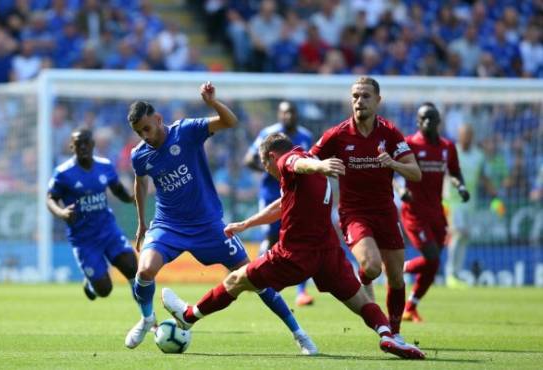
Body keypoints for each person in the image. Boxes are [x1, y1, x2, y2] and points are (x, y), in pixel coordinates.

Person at [160, 133, 425, 359]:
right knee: (358, 299)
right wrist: (246, 224)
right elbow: (282, 203)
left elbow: (298, 165)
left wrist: (318, 167)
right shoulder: (305, 159)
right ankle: (387, 334)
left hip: (294, 254)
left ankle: (188, 315)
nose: (268, 171)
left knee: (236, 280)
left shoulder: (290, 160)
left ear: (271, 157)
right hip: (328, 253)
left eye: (266, 165)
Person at [125, 82, 316, 354]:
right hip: (168, 225)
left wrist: (213, 103)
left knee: (254, 277)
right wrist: (143, 223)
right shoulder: (139, 155)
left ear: (157, 119)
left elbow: (230, 121)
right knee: (144, 270)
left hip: (209, 226)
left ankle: (299, 333)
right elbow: (140, 183)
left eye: (147, 128)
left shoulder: (186, 131)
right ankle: (146, 319)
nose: (144, 136)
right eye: (138, 132)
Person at [309, 76, 421, 340]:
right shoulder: (337, 135)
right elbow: (308, 160)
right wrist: (320, 167)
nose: (359, 101)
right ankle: (364, 279)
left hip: (385, 212)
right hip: (354, 213)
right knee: (372, 267)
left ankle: (394, 333)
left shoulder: (390, 133)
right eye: (355, 97)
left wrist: (393, 164)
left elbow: (415, 173)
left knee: (396, 277)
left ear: (378, 101)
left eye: (366, 96)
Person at [46, 128, 138, 303]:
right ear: (72, 147)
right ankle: (91, 284)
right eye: (78, 144)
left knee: (133, 268)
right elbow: (50, 198)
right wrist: (61, 212)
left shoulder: (105, 166)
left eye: (86, 143)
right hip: (84, 238)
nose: (82, 147)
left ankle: (149, 318)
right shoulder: (63, 173)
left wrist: (131, 198)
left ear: (92, 144)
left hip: (108, 230)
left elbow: (117, 189)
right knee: (104, 290)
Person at [397, 103, 469, 322]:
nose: (427, 122)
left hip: (437, 212)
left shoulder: (448, 147)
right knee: (432, 257)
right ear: (417, 122)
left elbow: (455, 172)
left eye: (431, 118)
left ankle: (410, 307)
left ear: (439, 121)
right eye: (423, 118)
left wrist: (461, 186)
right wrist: (401, 190)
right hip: (414, 212)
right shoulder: (408, 144)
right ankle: (394, 268)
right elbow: (391, 174)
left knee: (434, 263)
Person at [244, 100, 315, 306]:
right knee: (271, 236)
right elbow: (249, 159)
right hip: (270, 192)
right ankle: (255, 276)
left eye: (291, 112)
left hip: (295, 191)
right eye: (284, 113)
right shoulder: (269, 133)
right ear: (279, 114)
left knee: (299, 236)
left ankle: (302, 292)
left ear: (296, 114)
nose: (288, 116)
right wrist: (273, 171)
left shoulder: (305, 135)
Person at [444, 123, 489, 288]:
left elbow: (483, 176)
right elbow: (444, 175)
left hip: (470, 203)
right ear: (459, 135)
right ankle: (451, 274)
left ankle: (457, 273)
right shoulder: (451, 151)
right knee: (458, 234)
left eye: (469, 134)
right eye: (463, 134)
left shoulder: (479, 155)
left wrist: (495, 195)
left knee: (465, 237)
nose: (466, 137)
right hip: (453, 203)